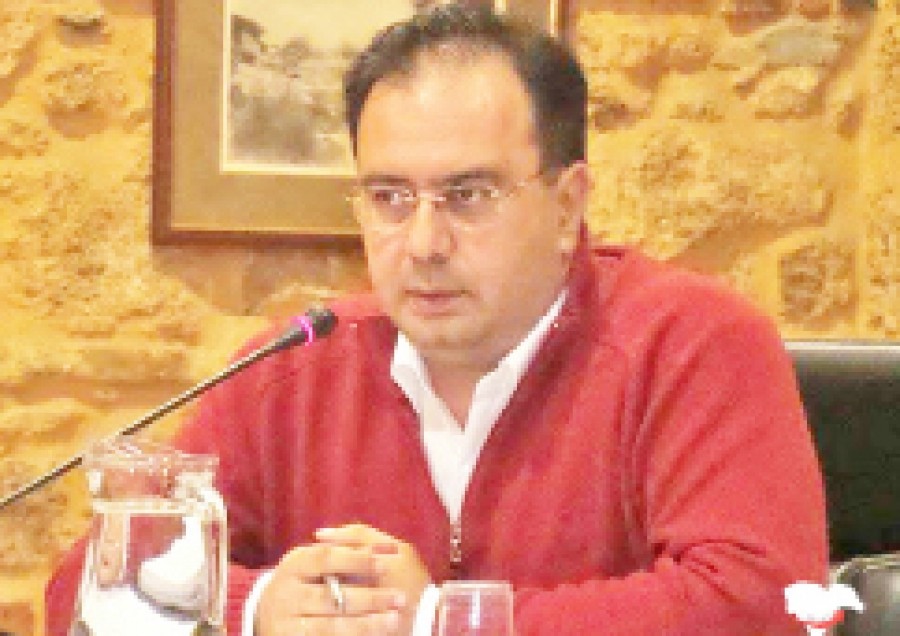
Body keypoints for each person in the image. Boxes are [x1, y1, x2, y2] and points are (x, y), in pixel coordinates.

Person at [47, 5, 828, 635]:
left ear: (567, 206)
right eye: (389, 197)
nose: (423, 243)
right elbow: (86, 588)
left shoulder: (691, 343)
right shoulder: (292, 368)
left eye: (469, 196)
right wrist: (256, 610)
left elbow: (767, 604)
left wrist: (443, 621)